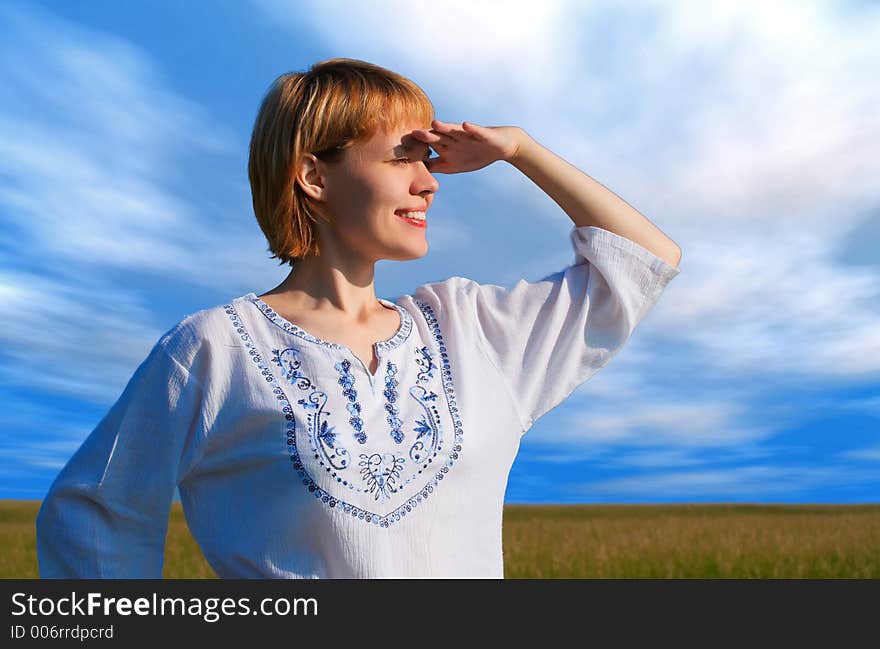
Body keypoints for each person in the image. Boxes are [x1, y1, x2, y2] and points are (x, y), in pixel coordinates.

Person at [36, 58, 682, 578]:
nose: (429, 182)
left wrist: (520, 148)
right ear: (315, 175)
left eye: (426, 160)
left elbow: (643, 260)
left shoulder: (470, 329)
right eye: (403, 157)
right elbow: (96, 512)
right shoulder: (213, 348)